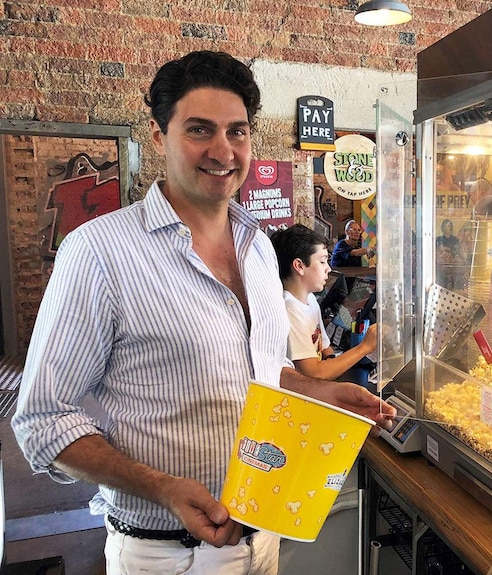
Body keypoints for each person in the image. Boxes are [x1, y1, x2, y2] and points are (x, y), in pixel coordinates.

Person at [11, 50, 395, 575]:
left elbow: (252, 371)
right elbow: (43, 420)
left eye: (237, 131)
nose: (223, 150)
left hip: (263, 540)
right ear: (157, 134)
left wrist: (324, 391)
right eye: (199, 130)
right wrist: (161, 489)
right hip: (166, 554)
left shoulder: (259, 248)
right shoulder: (99, 252)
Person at [271, 224, 378, 381]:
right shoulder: (290, 309)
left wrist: (332, 364)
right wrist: (365, 347)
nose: (328, 269)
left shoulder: (310, 299)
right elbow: (314, 373)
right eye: (322, 262)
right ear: (299, 266)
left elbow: (325, 347)